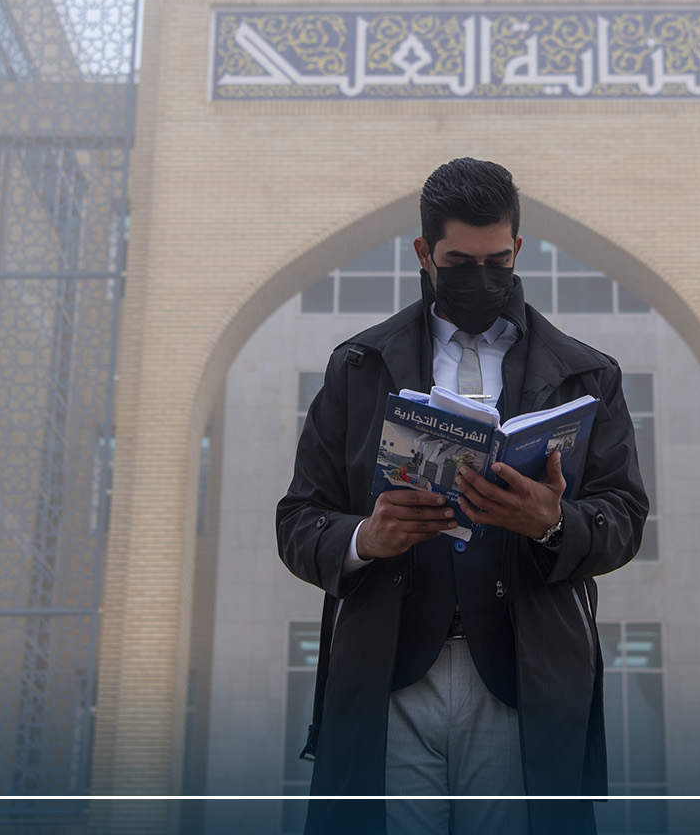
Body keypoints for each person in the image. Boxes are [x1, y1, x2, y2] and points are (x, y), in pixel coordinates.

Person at [277, 158, 649, 835]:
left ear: (518, 249)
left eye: (497, 261)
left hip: (520, 679)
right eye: (459, 262)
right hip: (390, 677)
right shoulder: (358, 367)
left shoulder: (586, 375)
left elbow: (623, 518)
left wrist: (552, 522)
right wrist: (366, 539)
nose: (482, 277)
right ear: (424, 254)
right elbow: (299, 520)